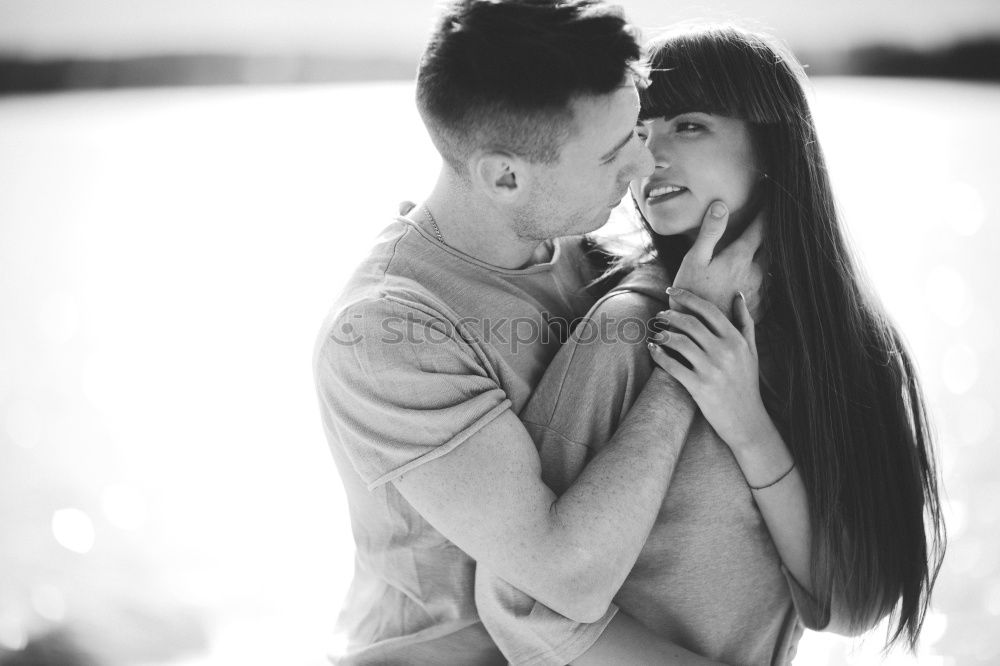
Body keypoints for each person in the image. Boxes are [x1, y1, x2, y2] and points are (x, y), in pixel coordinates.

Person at [475, 23, 947, 665]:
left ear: (773, 143)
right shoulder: (626, 332)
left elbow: (857, 602)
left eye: (689, 125)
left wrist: (747, 426)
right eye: (640, 132)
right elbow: (521, 606)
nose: (648, 158)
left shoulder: (850, 343)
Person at [312, 3, 760, 664]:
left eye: (636, 131)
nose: (641, 167)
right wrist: (686, 350)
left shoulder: (579, 255)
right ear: (504, 176)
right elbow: (565, 578)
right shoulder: (385, 333)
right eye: (613, 153)